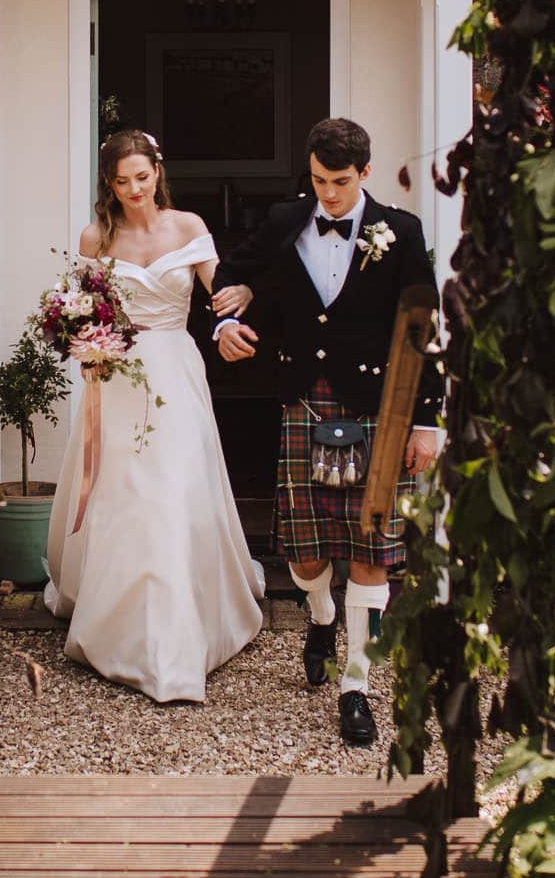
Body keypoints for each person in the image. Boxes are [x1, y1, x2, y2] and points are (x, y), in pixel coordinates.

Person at [213, 117, 442, 747]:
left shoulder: (401, 231)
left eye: (340, 182)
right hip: (302, 401)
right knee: (304, 549)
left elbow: (422, 325)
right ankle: (320, 615)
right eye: (318, 181)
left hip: (377, 405)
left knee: (371, 549)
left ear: (364, 173)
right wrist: (223, 325)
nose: (329, 195)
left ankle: (356, 684)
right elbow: (230, 272)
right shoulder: (286, 220)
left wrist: (427, 421)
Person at [42, 130, 265, 703]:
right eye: (122, 181)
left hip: (173, 369)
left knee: (172, 487)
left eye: (142, 177)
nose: (134, 190)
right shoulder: (97, 235)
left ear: (157, 173)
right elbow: (81, 303)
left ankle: (178, 635)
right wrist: (82, 336)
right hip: (113, 375)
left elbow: (218, 294)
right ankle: (118, 624)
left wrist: (228, 321)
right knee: (124, 493)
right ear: (109, 186)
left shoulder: (187, 227)